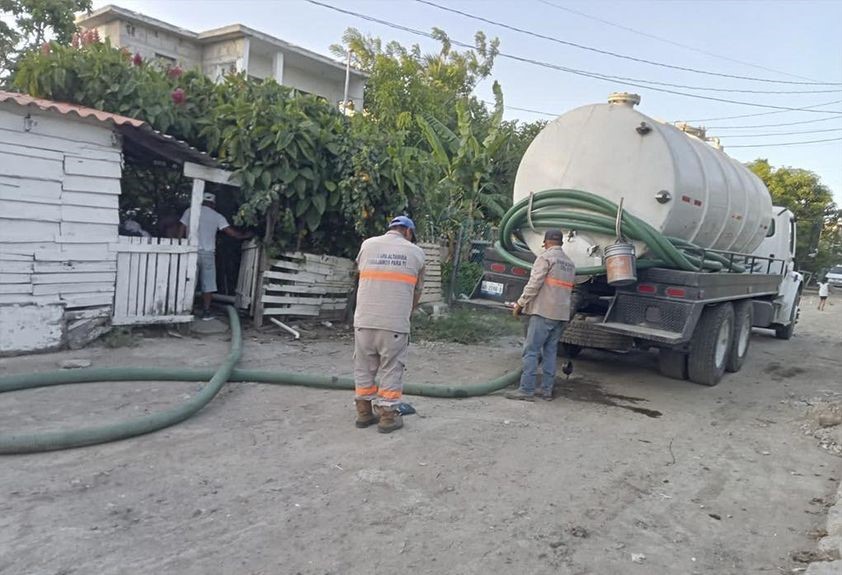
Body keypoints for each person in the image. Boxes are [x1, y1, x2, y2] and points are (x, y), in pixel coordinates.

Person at [353, 216, 426, 433]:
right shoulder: (416, 252)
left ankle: (364, 412)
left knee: (364, 366)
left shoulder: (367, 245)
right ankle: (387, 417)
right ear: (409, 232)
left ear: (391, 229)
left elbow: (362, 277)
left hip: (364, 320)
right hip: (394, 323)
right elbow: (417, 291)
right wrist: (406, 313)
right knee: (391, 368)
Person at [506, 229, 576, 402]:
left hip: (543, 313)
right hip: (560, 315)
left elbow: (534, 284)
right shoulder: (570, 263)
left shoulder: (545, 258)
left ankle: (526, 390)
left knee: (531, 351)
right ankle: (546, 390)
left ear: (546, 242)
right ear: (561, 243)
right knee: (550, 353)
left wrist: (521, 303)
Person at [179, 192, 252, 319]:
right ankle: (206, 311)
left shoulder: (190, 211)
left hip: (190, 251)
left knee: (189, 281)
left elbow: (181, 228)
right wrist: (245, 235)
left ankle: (185, 310)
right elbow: (231, 233)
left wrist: (180, 243)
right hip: (208, 253)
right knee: (208, 283)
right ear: (213, 203)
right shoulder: (217, 216)